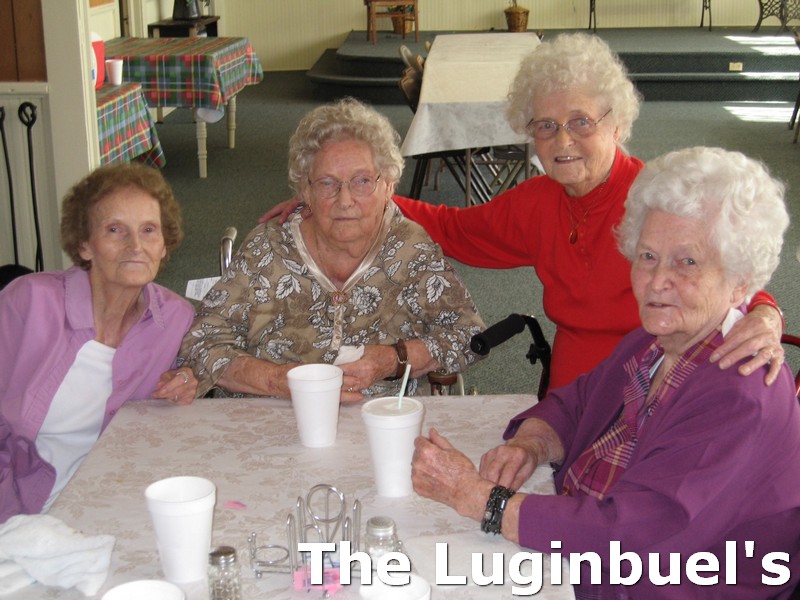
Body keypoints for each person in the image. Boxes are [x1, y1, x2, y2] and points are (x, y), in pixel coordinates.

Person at [261, 33, 784, 391]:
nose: (562, 141)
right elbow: (453, 228)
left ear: (617, 122)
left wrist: (765, 312)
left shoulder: (657, 198)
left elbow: (726, 270)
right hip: (572, 391)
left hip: (656, 380)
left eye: (580, 121)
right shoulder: (539, 201)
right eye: (545, 126)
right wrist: (356, 196)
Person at [411, 147, 800, 599]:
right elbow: (577, 402)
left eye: (687, 262)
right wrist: (532, 444)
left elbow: (638, 535)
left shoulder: (738, 392)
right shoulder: (656, 339)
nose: (656, 280)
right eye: (648, 256)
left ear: (740, 282)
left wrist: (480, 500)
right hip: (593, 542)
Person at [179, 98, 484, 402]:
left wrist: (394, 359)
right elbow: (200, 342)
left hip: (379, 418)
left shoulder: (410, 248)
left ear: (389, 186)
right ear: (305, 190)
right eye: (327, 183)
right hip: (272, 414)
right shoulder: (268, 248)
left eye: (362, 181)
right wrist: (278, 381)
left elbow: (469, 337)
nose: (345, 200)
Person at [0, 164, 198, 520]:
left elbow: (168, 410)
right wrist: (12, 523)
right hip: (18, 504)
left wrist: (184, 381)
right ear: (85, 245)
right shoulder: (29, 303)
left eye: (149, 230)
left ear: (164, 245)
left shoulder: (174, 319)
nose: (135, 246)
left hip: (109, 501)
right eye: (115, 230)